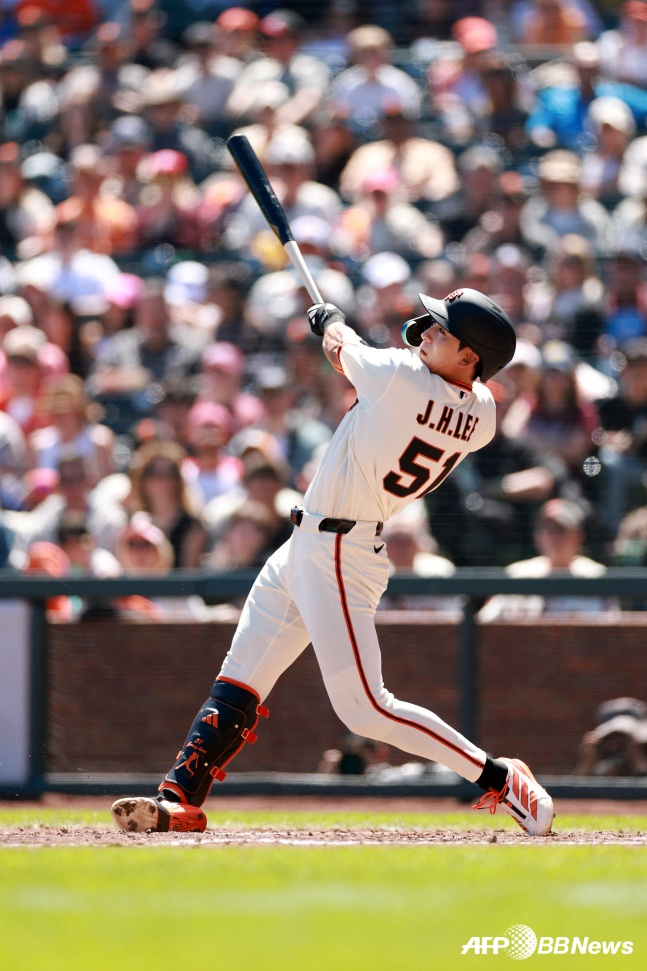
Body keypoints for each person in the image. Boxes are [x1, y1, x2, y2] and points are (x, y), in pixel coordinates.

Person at [111, 288, 555, 838]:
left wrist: (334, 319)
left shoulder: (401, 378)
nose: (426, 331)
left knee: (365, 709)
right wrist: (354, 331)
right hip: (311, 544)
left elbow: (340, 347)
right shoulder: (482, 413)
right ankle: (179, 799)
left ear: (470, 356)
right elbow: (403, 364)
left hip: (340, 552)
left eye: (442, 330)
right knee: (240, 677)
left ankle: (500, 778)